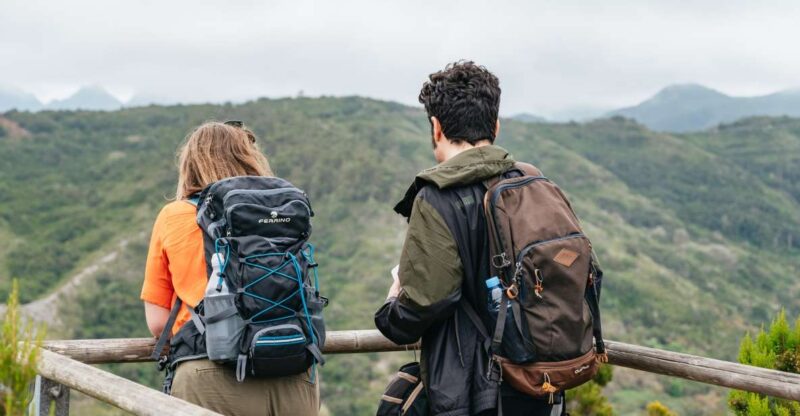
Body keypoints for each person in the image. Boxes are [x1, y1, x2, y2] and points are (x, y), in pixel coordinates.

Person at [375, 61, 559, 415]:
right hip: (541, 385)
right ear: (496, 126)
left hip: (476, 394)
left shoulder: (437, 197)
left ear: (436, 126)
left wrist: (392, 304)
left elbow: (425, 302)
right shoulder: (532, 182)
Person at [141, 121, 320, 416]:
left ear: (190, 164)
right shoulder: (279, 213)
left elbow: (158, 323)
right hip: (292, 368)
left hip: (209, 370)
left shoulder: (174, 215)